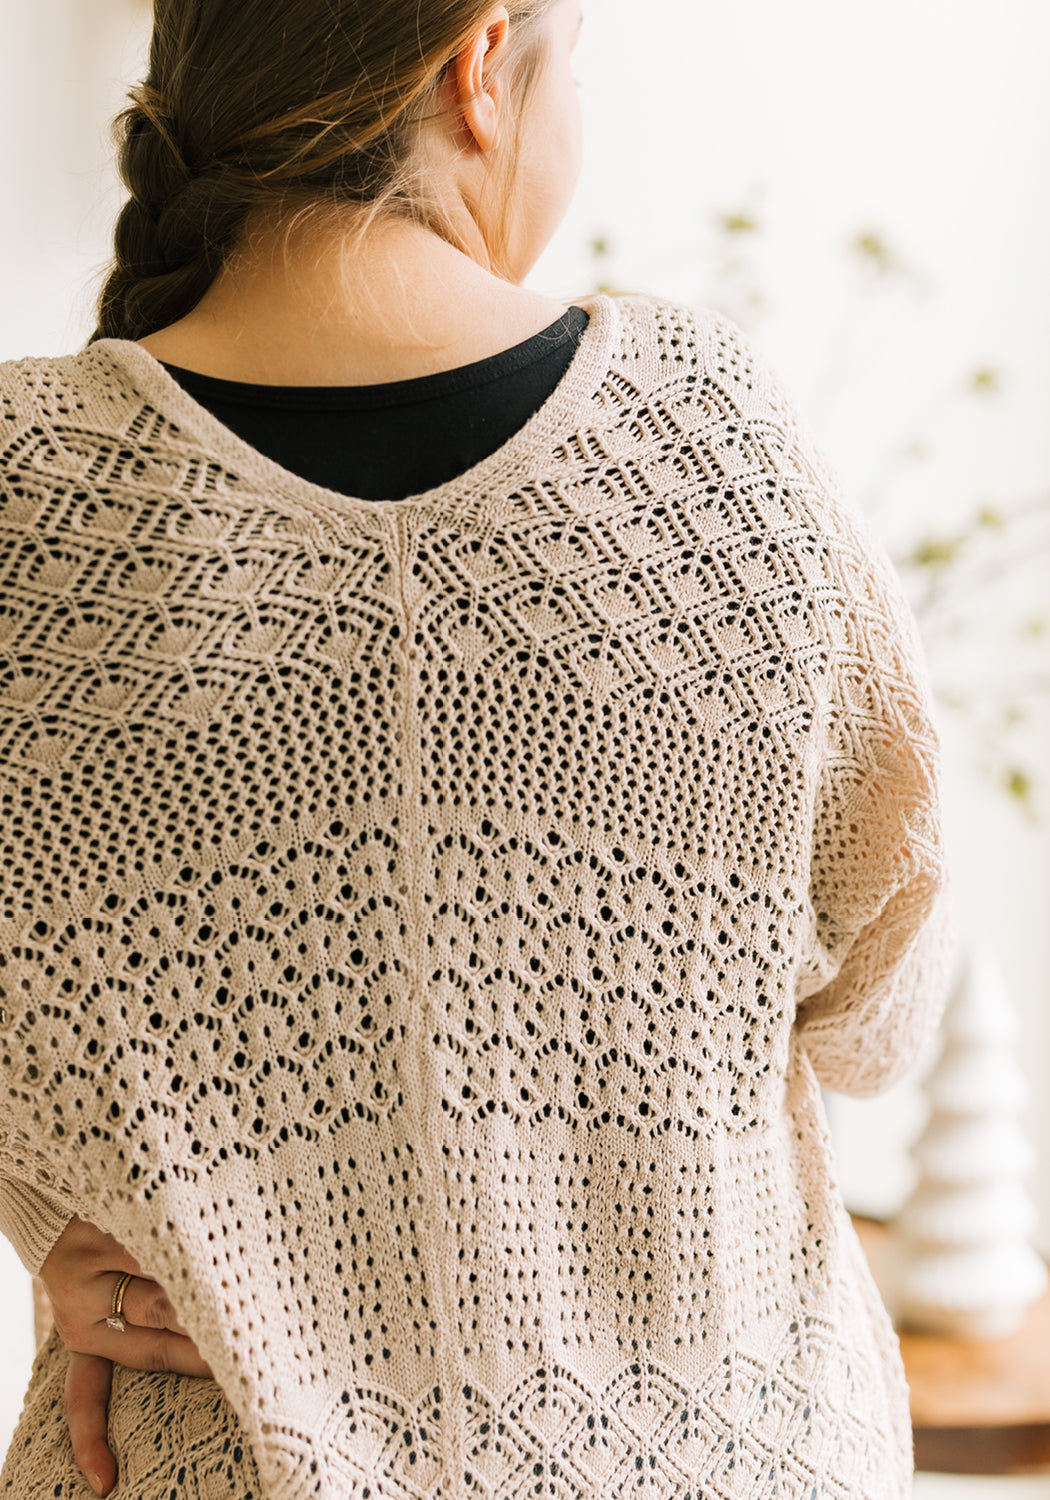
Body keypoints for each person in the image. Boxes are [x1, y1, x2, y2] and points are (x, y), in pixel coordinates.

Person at [0, 0, 951, 1496]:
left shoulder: (24, 496)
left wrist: (58, 1210)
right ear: (483, 65)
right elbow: (879, 1015)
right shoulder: (714, 447)